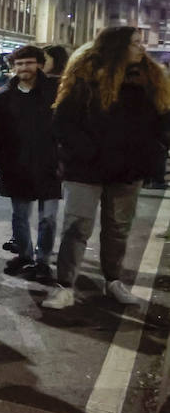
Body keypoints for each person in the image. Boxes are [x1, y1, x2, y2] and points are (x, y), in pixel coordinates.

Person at [44, 27, 170, 309]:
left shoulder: (151, 79)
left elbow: (163, 120)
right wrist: (89, 151)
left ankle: (113, 281)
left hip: (127, 169)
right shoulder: (84, 77)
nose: (142, 48)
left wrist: (154, 150)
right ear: (116, 47)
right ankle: (65, 286)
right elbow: (62, 122)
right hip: (86, 168)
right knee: (77, 226)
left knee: (117, 229)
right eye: (135, 43)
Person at [0, 45, 62, 282]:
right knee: (19, 216)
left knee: (48, 218)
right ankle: (24, 255)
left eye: (28, 63)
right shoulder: (4, 96)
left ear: (39, 64)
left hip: (49, 165)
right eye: (19, 64)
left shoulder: (55, 90)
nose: (23, 68)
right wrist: (2, 163)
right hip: (17, 166)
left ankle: (43, 262)